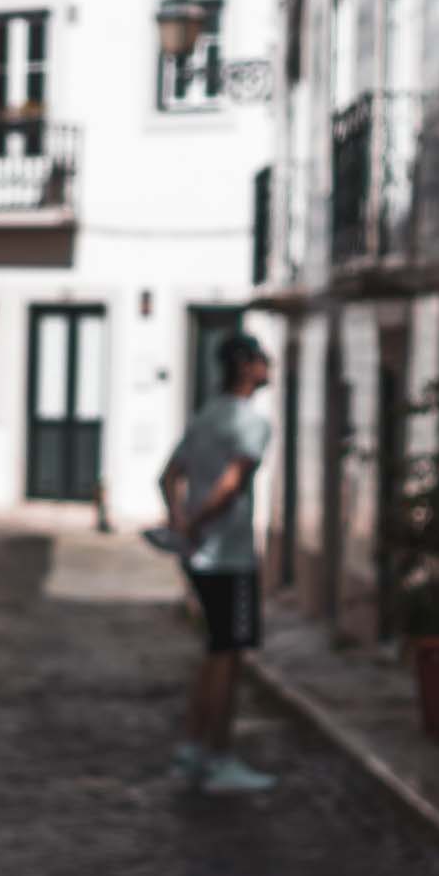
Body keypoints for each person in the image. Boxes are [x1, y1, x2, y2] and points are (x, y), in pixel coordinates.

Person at [160, 333, 278, 795]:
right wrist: (194, 522)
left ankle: (193, 748)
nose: (269, 365)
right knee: (229, 657)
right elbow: (231, 485)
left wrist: (179, 520)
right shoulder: (251, 422)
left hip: (199, 556)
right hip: (229, 555)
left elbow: (168, 475)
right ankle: (220, 759)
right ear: (245, 366)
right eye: (262, 359)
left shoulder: (206, 415)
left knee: (214, 651)